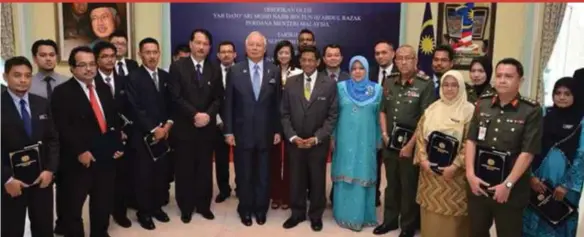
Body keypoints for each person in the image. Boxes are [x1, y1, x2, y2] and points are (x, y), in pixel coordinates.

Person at [51, 46, 125, 237]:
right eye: (82, 65)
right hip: (78, 160)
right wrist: (80, 151)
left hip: (105, 157)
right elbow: (62, 127)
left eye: (92, 64)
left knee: (102, 202)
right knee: (73, 206)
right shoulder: (62, 92)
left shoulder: (103, 88)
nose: (89, 69)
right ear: (72, 68)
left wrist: (117, 145)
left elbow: (112, 120)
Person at [465, 58, 543, 237]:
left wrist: (507, 184)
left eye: (508, 76)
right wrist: (470, 174)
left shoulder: (531, 110)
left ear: (520, 81)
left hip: (511, 188)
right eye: (499, 75)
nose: (502, 80)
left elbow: (528, 151)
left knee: (508, 233)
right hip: (479, 183)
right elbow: (471, 140)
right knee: (476, 231)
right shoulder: (483, 103)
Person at [375, 45, 436, 237]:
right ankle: (390, 221)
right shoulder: (390, 81)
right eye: (399, 58)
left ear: (415, 60)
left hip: (411, 145)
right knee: (391, 184)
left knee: (409, 185)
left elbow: (425, 118)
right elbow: (383, 110)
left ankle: (408, 226)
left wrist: (410, 146)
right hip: (390, 143)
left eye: (407, 58)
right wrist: (384, 135)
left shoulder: (424, 84)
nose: (402, 62)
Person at [224, 31, 282, 227]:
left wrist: (277, 130)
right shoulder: (235, 70)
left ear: (265, 48)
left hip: (266, 133)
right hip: (242, 134)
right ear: (245, 47)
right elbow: (229, 104)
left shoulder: (273, 70)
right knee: (245, 174)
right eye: (252, 45)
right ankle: (245, 209)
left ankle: (260, 209)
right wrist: (229, 131)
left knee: (264, 174)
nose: (255, 48)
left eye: (259, 45)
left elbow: (277, 105)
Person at [168, 28, 223, 223]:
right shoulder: (177, 66)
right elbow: (175, 96)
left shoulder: (214, 68)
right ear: (191, 44)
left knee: (204, 169)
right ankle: (186, 207)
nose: (201, 47)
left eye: (205, 44)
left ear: (209, 47)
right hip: (185, 127)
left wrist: (207, 115)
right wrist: (194, 115)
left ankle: (203, 205)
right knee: (184, 169)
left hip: (206, 128)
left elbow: (218, 98)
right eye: (198, 42)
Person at [281, 46, 338, 232]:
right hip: (295, 142)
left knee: (317, 180)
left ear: (318, 61)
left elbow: (332, 116)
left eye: (311, 60)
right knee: (296, 179)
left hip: (317, 143)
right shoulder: (290, 83)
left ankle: (315, 215)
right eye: (304, 59)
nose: (307, 63)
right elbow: (284, 114)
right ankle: (297, 214)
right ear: (300, 61)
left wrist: (317, 138)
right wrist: (293, 137)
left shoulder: (328, 84)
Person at [1, 56, 59, 237]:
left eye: (27, 75)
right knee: (12, 229)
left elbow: (52, 139)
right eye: (17, 75)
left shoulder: (41, 102)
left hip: (41, 179)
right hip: (11, 183)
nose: (23, 80)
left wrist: (50, 169)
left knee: (44, 228)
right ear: (5, 76)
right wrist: (6, 179)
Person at [414, 70, 474, 237]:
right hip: (430, 176)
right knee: (431, 218)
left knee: (453, 221)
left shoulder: (469, 111)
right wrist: (423, 160)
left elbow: (470, 143)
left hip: (454, 178)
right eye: (445, 85)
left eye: (454, 85)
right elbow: (420, 136)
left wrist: (455, 166)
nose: (449, 89)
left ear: (461, 87)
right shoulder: (432, 109)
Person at [523, 77, 583, 237]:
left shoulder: (581, 120)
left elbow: (582, 155)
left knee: (558, 217)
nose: (562, 97)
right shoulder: (543, 113)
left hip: (565, 183)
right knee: (533, 215)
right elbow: (527, 144)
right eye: (558, 93)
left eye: (567, 93)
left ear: (575, 95)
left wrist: (567, 185)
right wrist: (530, 176)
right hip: (538, 177)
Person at [331, 55, 382, 231]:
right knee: (345, 172)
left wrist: (378, 140)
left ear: (367, 70)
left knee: (363, 172)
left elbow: (378, 119)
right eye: (354, 68)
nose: (357, 72)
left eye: (361, 68)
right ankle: (343, 215)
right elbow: (333, 115)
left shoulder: (377, 90)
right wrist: (332, 138)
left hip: (366, 141)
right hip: (344, 140)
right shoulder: (340, 88)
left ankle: (363, 216)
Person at [126, 37, 173, 230]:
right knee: (143, 176)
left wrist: (168, 126)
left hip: (164, 136)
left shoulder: (165, 76)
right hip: (143, 137)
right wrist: (155, 129)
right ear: (140, 54)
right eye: (148, 52)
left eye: (155, 52)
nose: (152, 56)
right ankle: (144, 212)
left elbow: (172, 104)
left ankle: (156, 208)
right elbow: (134, 107)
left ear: (159, 53)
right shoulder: (133, 77)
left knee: (160, 174)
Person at [93, 41, 133, 228]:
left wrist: (124, 133)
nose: (110, 60)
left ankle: (120, 213)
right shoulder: (91, 83)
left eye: (112, 56)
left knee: (123, 178)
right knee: (103, 183)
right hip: (101, 140)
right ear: (96, 59)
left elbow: (129, 110)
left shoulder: (123, 80)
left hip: (122, 137)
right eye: (105, 56)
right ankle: (102, 218)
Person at [270, 40, 303, 210]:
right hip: (273, 122)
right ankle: (275, 195)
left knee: (291, 161)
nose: (283, 55)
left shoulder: (298, 72)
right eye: (280, 52)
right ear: (276, 54)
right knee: (274, 161)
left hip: (292, 122)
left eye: (287, 53)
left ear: (292, 55)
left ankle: (288, 196)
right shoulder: (270, 71)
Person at [369, 40, 398, 206]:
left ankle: (394, 205)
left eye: (384, 52)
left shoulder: (400, 73)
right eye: (377, 53)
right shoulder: (369, 73)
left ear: (392, 53)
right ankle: (373, 197)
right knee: (373, 165)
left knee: (392, 169)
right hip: (372, 129)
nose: (380, 56)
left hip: (393, 129)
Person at [214, 41, 237, 203]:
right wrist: (218, 120)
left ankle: (241, 187)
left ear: (235, 54)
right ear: (218, 55)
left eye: (229, 52)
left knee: (242, 158)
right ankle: (224, 189)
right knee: (221, 159)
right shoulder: (212, 72)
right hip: (218, 122)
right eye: (223, 52)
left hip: (240, 123)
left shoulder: (243, 71)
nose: (226, 54)